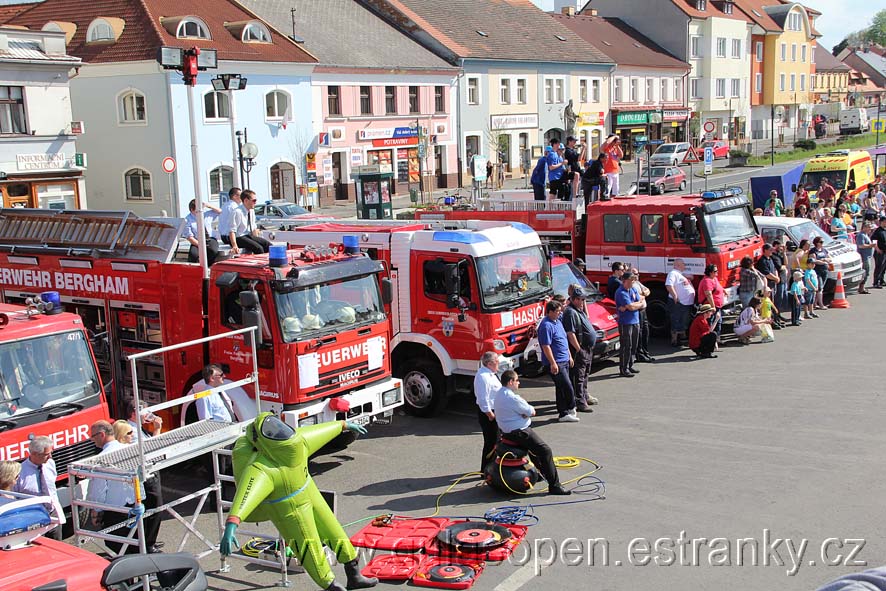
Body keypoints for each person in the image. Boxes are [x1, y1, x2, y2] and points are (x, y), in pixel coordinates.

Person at [220, 414, 378, 591]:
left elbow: (321, 431)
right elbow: (246, 495)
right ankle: (331, 586)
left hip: (307, 490)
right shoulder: (262, 468)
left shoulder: (298, 442)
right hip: (288, 507)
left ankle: (353, 574)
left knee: (334, 530)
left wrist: (344, 425)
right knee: (308, 548)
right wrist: (231, 525)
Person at [492, 371, 570, 496]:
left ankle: (539, 473)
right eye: (517, 380)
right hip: (520, 432)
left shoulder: (499, 394)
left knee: (534, 450)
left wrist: (522, 413)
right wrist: (523, 414)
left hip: (506, 431)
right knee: (545, 451)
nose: (519, 383)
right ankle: (555, 485)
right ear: (510, 382)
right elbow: (532, 412)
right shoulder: (513, 398)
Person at [86, 420, 139, 555]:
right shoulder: (128, 449)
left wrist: (96, 510)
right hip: (134, 505)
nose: (93, 440)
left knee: (116, 548)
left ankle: (128, 575)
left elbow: (98, 490)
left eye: (93, 436)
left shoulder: (102, 458)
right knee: (136, 545)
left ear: (102, 435)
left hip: (115, 511)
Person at [123, 399, 164, 552]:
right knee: (155, 508)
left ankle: (149, 540)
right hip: (145, 476)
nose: (149, 414)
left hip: (149, 473)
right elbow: (147, 450)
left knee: (154, 508)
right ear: (134, 413)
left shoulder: (138, 428)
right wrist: (157, 430)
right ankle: (148, 544)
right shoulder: (131, 432)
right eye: (146, 411)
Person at [13, 435, 65, 534]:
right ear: (34, 454)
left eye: (51, 453)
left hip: (53, 513)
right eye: (47, 454)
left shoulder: (50, 464)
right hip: (32, 519)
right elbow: (13, 499)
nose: (50, 457)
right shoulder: (19, 473)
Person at [537, 300, 577, 422]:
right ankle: (571, 406)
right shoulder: (545, 326)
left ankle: (563, 413)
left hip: (564, 359)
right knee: (567, 385)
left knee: (560, 387)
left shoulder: (558, 322)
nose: (560, 314)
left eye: (560, 311)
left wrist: (569, 356)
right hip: (556, 362)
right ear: (549, 312)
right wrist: (553, 363)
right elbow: (545, 346)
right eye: (557, 311)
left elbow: (563, 340)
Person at [561, 287, 596, 413]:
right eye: (581, 299)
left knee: (585, 374)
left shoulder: (579, 310)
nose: (583, 301)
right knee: (579, 377)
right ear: (574, 299)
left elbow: (587, 317)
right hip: (580, 350)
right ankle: (580, 401)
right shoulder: (570, 312)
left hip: (587, 348)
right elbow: (570, 334)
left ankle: (584, 396)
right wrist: (578, 349)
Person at [187, 364, 257, 424]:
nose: (224, 376)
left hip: (230, 427)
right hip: (220, 432)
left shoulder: (221, 392)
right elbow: (205, 422)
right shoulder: (204, 397)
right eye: (221, 375)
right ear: (212, 378)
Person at [473, 352, 500, 472]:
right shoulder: (483, 377)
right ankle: (486, 470)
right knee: (491, 442)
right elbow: (482, 398)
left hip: (495, 411)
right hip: (489, 414)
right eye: (496, 361)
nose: (498, 363)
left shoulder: (491, 374)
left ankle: (491, 466)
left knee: (496, 441)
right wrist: (490, 414)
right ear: (489, 363)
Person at [615, 271, 644, 378]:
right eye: (631, 280)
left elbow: (641, 301)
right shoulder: (621, 292)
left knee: (634, 345)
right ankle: (624, 368)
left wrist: (633, 305)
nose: (633, 282)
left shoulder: (632, 289)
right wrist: (632, 306)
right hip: (625, 323)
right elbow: (631, 307)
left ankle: (630, 365)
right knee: (626, 345)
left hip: (635, 321)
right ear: (625, 281)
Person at [665, 258, 695, 347]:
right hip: (678, 302)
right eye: (683, 264)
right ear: (677, 265)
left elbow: (690, 278)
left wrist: (688, 277)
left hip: (685, 302)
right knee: (676, 320)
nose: (684, 265)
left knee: (684, 320)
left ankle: (682, 337)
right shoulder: (673, 273)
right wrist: (675, 296)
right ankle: (674, 340)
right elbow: (669, 285)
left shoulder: (680, 274)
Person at [232, 190, 272, 255]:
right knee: (259, 248)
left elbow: (253, 228)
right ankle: (259, 263)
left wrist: (257, 239)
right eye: (254, 200)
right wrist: (234, 245)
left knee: (268, 245)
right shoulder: (237, 212)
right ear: (246, 200)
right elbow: (232, 231)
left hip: (248, 235)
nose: (255, 203)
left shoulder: (251, 211)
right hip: (239, 237)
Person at [182, 199, 221, 265]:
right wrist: (200, 245)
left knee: (212, 250)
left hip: (210, 239)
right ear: (192, 210)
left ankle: (208, 265)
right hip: (197, 240)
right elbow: (189, 237)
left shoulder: (206, 214)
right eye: (198, 210)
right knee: (193, 255)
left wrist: (208, 205)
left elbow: (219, 211)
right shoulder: (187, 220)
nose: (200, 211)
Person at [631, 268, 654, 363]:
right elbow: (636, 297)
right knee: (639, 333)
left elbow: (648, 291)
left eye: (638, 273)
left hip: (643, 310)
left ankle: (645, 352)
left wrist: (643, 294)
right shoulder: (631, 285)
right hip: (638, 311)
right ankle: (639, 354)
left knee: (646, 331)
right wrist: (642, 295)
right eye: (635, 274)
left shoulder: (638, 283)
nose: (638, 275)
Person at [697, 263, 725, 343]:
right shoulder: (707, 281)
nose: (717, 272)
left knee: (718, 322)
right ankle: (709, 340)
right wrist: (713, 307)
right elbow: (708, 294)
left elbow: (718, 286)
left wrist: (724, 290)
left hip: (717, 306)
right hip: (711, 307)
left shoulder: (714, 278)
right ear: (710, 272)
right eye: (715, 271)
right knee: (711, 323)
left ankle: (717, 339)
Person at [770, 240, 790, 324]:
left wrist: (784, 253)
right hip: (779, 280)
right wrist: (784, 267)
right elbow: (780, 267)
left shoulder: (779, 255)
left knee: (782, 299)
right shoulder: (773, 256)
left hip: (784, 279)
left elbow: (786, 263)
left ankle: (779, 314)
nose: (781, 248)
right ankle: (775, 317)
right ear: (775, 246)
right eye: (779, 246)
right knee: (778, 299)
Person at [808, 236, 831, 309]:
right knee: (819, 287)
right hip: (817, 271)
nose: (822, 243)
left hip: (825, 270)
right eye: (821, 242)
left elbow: (829, 258)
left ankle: (815, 303)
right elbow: (814, 260)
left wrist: (824, 259)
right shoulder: (813, 251)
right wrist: (823, 261)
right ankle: (821, 304)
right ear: (817, 243)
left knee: (821, 287)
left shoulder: (824, 250)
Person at [855, 222, 875, 293]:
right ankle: (861, 288)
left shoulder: (866, 235)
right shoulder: (861, 235)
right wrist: (871, 245)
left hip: (868, 256)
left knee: (867, 272)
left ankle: (862, 287)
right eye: (869, 227)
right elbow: (861, 245)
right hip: (864, 257)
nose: (870, 229)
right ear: (864, 227)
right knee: (865, 271)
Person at [563, 136, 582, 200]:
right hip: (572, 170)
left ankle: (576, 194)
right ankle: (574, 196)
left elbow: (580, 158)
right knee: (573, 187)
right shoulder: (568, 151)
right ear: (569, 141)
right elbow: (578, 158)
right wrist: (583, 149)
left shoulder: (573, 150)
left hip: (576, 169)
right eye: (573, 141)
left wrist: (584, 149)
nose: (575, 143)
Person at [872, 216, 886, 288]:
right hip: (880, 252)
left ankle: (881, 280)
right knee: (879, 267)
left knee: (884, 268)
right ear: (881, 222)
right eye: (884, 222)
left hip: (885, 252)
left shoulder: (884, 230)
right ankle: (875, 282)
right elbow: (874, 241)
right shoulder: (878, 231)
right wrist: (877, 249)